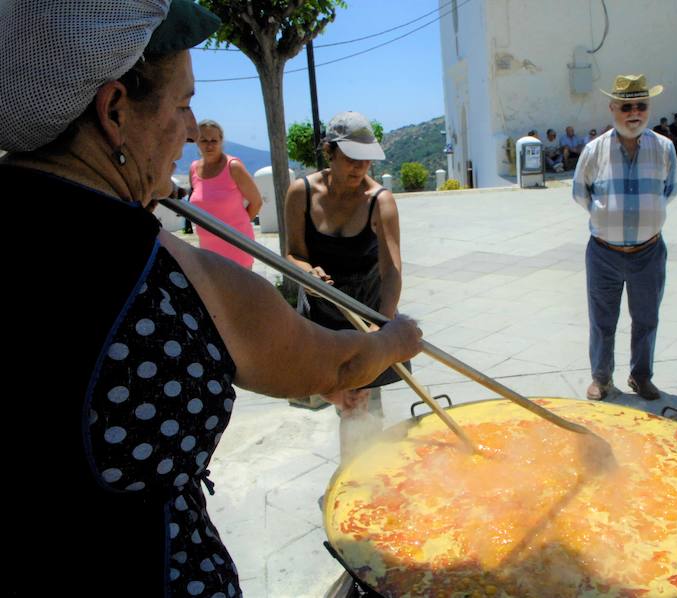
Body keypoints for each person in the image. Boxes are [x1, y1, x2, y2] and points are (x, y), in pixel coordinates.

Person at [0, 2, 422, 595]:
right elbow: (338, 363)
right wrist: (394, 340)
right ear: (114, 110)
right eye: (182, 104)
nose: (193, 128)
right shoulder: (163, 273)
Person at [284, 111, 404, 458]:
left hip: (365, 312)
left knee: (362, 408)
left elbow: (392, 269)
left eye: (366, 160)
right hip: (319, 313)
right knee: (329, 394)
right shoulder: (301, 193)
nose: (359, 168)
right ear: (328, 151)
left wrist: (380, 327)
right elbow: (293, 254)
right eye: (351, 158)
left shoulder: (379, 201)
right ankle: (354, 484)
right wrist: (307, 271)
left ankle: (362, 483)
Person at [572, 74, 677, 402]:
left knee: (647, 318)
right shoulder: (593, 151)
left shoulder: (664, 148)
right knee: (602, 320)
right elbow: (581, 194)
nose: (634, 113)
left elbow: (669, 190)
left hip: (649, 252)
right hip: (604, 253)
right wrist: (609, 220)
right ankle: (601, 379)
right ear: (612, 108)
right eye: (626, 106)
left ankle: (641, 376)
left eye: (641, 106)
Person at [190, 119, 262, 268]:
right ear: (197, 142)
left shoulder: (233, 167)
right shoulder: (193, 169)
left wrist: (235, 228)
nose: (209, 145)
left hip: (235, 245)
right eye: (204, 140)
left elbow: (256, 201)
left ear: (221, 141)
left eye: (214, 140)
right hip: (207, 248)